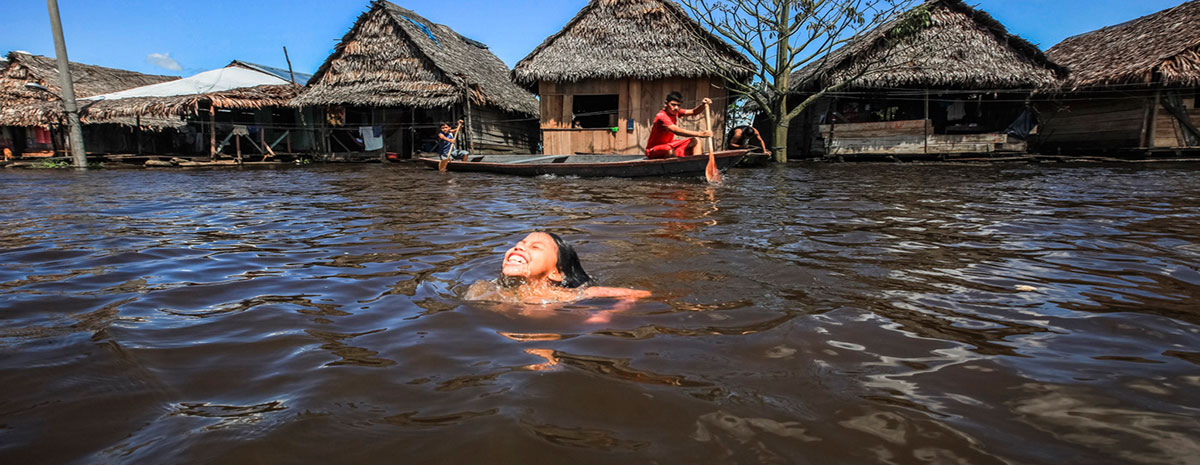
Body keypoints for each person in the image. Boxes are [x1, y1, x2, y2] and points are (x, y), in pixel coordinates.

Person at [466, 231, 650, 304]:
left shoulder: (567, 296)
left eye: (535, 247)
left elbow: (639, 294)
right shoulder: (482, 289)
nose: (519, 247)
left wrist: (604, 317)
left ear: (556, 273)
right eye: (519, 243)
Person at [646, 91, 713, 159]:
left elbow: (694, 112)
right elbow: (676, 130)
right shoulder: (661, 116)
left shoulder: (675, 111)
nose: (676, 108)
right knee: (669, 150)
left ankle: (696, 164)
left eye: (678, 105)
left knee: (696, 141)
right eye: (673, 104)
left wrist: (703, 105)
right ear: (666, 104)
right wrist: (700, 134)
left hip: (669, 145)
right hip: (654, 150)